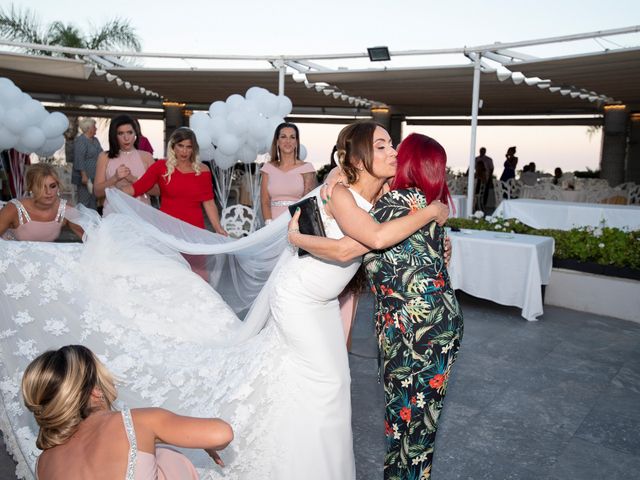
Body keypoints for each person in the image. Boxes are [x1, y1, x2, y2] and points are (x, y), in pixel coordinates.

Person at [289, 132, 462, 479]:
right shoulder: (411, 205)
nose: (393, 152)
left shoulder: (393, 206)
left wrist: (297, 236)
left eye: (395, 148)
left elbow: (357, 246)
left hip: (412, 326)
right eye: (382, 147)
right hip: (432, 322)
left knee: (406, 425)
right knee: (414, 426)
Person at [22, 345, 233, 479]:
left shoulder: (44, 463)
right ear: (95, 390)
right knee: (168, 458)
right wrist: (155, 434)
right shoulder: (137, 422)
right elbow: (222, 434)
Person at [119, 127, 226, 235]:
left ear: (194, 149)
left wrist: (218, 227)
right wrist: (112, 192)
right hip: (167, 229)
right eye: (180, 146)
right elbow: (137, 188)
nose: (184, 151)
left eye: (189, 147)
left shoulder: (203, 170)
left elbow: (209, 203)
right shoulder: (160, 166)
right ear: (173, 146)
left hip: (194, 230)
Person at [0, 163, 84, 241]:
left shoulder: (65, 210)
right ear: (30, 188)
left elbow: (90, 238)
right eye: (41, 187)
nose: (48, 192)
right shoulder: (14, 209)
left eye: (53, 186)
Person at [93, 115, 158, 214]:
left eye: (130, 132)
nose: (126, 138)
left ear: (135, 133)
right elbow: (97, 192)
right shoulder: (104, 157)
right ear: (114, 136)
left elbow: (158, 191)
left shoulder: (147, 157)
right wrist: (114, 178)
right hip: (114, 215)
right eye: (120, 133)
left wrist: (133, 179)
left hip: (142, 215)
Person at [260, 122, 316, 224]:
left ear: (296, 142)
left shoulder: (307, 168)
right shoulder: (268, 168)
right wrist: (269, 224)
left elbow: (308, 203)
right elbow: (264, 201)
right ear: (277, 141)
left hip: (297, 223)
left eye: (292, 137)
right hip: (272, 224)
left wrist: (298, 225)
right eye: (283, 137)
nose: (288, 141)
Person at [72, 118, 102, 209]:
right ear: (88, 128)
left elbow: (102, 154)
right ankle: (81, 223)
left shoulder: (95, 140)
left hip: (95, 176)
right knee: (84, 202)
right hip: (85, 178)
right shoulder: (81, 141)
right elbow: (79, 159)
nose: (96, 128)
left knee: (93, 201)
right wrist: (84, 175)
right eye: (94, 127)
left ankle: (93, 222)